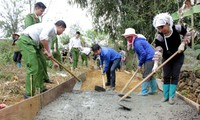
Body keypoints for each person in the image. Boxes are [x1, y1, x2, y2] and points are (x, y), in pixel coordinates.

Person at [17, 20, 66, 98]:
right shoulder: (50, 26)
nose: (62, 32)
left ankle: (41, 88)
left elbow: (48, 51)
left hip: (34, 44)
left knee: (40, 66)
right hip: (26, 41)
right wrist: (47, 51)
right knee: (33, 67)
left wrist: (54, 62)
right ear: (60, 27)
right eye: (63, 30)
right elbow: (43, 38)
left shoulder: (51, 34)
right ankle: (29, 94)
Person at [152, 13, 190, 104]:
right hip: (166, 57)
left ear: (167, 23)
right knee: (166, 76)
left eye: (162, 27)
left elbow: (188, 34)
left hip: (178, 56)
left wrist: (183, 43)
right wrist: (156, 64)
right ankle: (165, 96)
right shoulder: (159, 36)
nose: (161, 29)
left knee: (175, 75)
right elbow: (158, 49)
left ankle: (171, 97)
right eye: (158, 28)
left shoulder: (177, 28)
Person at [122, 28, 157, 96]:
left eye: (128, 37)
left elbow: (143, 54)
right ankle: (154, 90)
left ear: (132, 36)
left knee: (146, 75)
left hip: (149, 58)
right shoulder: (137, 40)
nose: (127, 39)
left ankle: (144, 91)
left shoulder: (137, 43)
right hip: (150, 57)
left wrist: (140, 64)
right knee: (150, 75)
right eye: (126, 37)